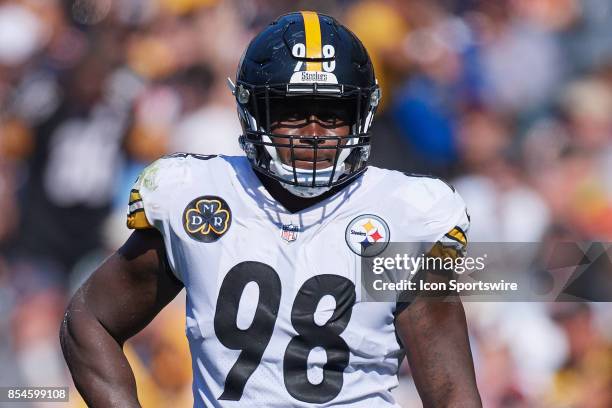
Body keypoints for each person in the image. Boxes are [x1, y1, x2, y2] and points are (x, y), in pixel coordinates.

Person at [60, 11, 481, 407]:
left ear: (361, 115)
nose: (314, 134)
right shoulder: (199, 197)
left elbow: (452, 394)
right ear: (253, 111)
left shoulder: (403, 215)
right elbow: (89, 322)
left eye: (333, 112)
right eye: (292, 113)